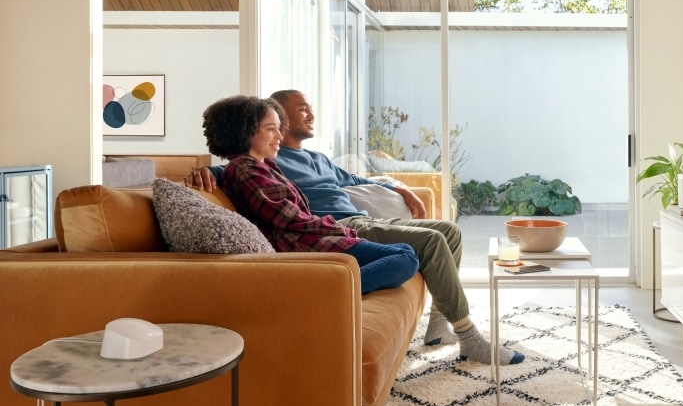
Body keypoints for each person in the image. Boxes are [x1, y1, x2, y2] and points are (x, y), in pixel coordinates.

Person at [191, 89, 524, 366]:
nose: (310, 115)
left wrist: (398, 187)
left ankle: (437, 327)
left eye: (309, 109)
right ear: (271, 122)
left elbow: (356, 179)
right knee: (431, 243)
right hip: (333, 229)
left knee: (448, 230)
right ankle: (470, 337)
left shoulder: (316, 159)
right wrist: (205, 172)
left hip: (359, 221)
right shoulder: (267, 161)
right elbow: (236, 172)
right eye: (300, 110)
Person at [201, 95, 419, 294]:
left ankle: (340, 284)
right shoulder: (246, 169)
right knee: (405, 257)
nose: (279, 135)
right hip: (299, 246)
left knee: (404, 251)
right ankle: (324, 292)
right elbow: (288, 219)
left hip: (310, 240)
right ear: (245, 132)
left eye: (279, 128)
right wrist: (338, 228)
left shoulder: (264, 166)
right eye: (270, 129)